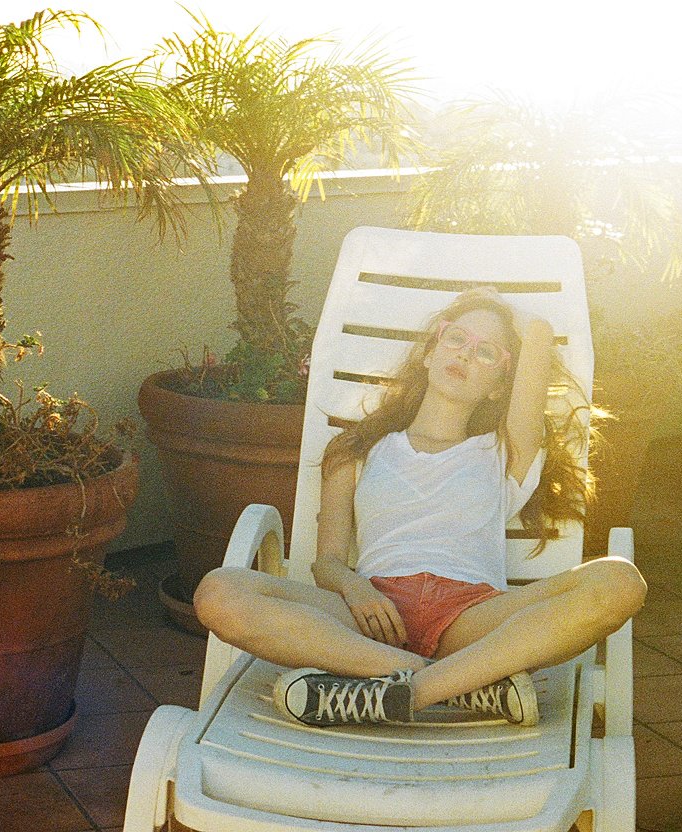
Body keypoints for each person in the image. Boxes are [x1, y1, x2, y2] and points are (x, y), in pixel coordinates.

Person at [193, 287, 647, 728]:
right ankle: (463, 685)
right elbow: (326, 562)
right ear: (429, 354)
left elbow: (539, 335)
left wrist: (501, 307)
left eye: (486, 352)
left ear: (498, 388)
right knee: (218, 592)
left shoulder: (504, 451)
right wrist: (357, 590)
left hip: (471, 618)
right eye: (456, 338)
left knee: (619, 580)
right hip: (371, 617)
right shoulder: (355, 451)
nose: (466, 354)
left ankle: (409, 691)